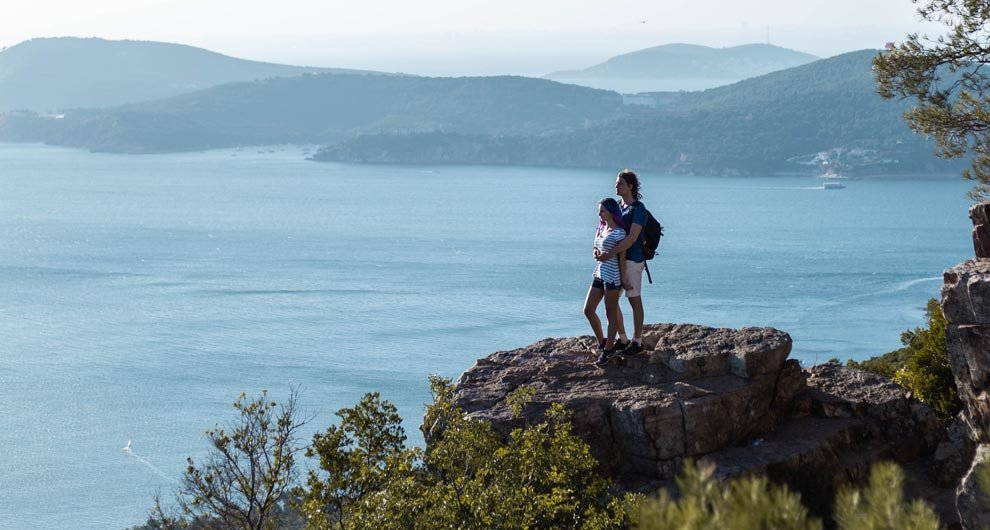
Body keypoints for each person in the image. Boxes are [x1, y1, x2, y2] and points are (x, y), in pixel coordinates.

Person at [596, 169, 647, 357]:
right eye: (616, 183)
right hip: (616, 261)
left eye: (620, 184)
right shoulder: (618, 206)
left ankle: (638, 341)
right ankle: (623, 338)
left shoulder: (638, 209)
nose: (616, 186)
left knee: (634, 299)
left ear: (630, 186)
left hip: (633, 260)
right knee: (612, 301)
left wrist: (609, 254)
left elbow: (632, 238)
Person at [583, 198, 627, 367]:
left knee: (610, 313)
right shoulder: (601, 229)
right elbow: (597, 246)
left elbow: (621, 257)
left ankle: (608, 350)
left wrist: (624, 280)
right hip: (599, 273)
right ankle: (603, 343)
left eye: (602, 211)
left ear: (611, 212)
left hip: (612, 277)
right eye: (599, 210)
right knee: (588, 310)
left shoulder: (620, 233)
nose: (599, 214)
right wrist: (595, 251)